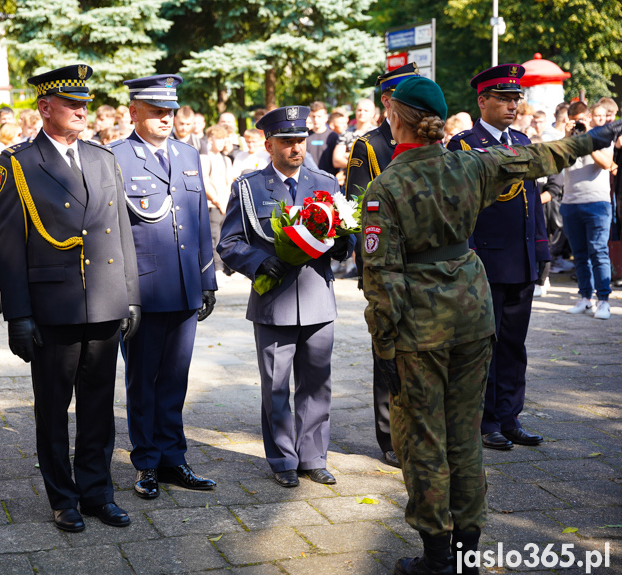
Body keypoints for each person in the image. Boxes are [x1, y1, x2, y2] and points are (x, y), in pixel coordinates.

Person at [359, 74, 618, 575]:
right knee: (465, 436)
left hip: (419, 327)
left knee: (423, 441)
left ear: (397, 117)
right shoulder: (474, 164)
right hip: (473, 317)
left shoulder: (385, 187)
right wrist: (596, 138)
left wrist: (384, 346)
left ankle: (437, 558)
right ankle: (467, 556)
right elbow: (544, 157)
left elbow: (382, 278)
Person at [0, 64, 140, 534]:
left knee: (98, 406)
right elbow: (7, 245)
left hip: (104, 302)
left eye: (84, 104)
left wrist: (130, 295)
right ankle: (63, 497)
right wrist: (18, 315)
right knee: (53, 409)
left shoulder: (102, 158)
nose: (80, 110)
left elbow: (122, 234)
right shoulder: (17, 163)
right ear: (44, 107)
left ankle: (97, 491)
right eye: (70, 103)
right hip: (53, 309)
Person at [217, 106, 353, 488]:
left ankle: (313, 456)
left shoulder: (326, 183)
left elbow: (346, 239)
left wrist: (344, 242)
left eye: (301, 140)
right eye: (287, 141)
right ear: (268, 143)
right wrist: (259, 263)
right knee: (276, 385)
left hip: (317, 297)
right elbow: (228, 242)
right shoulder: (249, 187)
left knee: (316, 383)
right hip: (273, 301)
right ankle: (282, 460)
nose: (296, 148)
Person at [108, 74, 218, 500]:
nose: (166, 119)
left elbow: (198, 220)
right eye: (156, 111)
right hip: (145, 292)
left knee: (175, 378)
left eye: (170, 111)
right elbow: (114, 233)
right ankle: (147, 462)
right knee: (143, 380)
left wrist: (207, 278)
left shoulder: (188, 154)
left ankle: (174, 458)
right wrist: (124, 294)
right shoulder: (116, 156)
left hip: (186, 287)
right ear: (133, 111)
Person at [447, 64, 550, 451]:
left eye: (515, 99)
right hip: (484, 263)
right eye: (504, 98)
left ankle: (510, 417)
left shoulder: (522, 139)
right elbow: (460, 210)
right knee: (482, 346)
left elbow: (532, 204)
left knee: (513, 345)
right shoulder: (463, 146)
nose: (512, 105)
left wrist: (540, 249)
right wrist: (465, 258)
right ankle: (485, 420)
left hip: (521, 259)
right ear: (482, 101)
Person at [344, 62, 421, 470]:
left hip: (424, 265)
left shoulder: (429, 142)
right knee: (387, 351)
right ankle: (390, 437)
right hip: (386, 266)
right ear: (387, 101)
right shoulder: (369, 145)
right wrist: (369, 267)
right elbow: (356, 209)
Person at [561, 101, 615, 319]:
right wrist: (567, 138)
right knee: (580, 255)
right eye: (576, 121)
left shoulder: (601, 137)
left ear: (591, 118)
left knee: (598, 251)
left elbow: (606, 163)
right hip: (570, 203)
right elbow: (557, 162)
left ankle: (603, 301)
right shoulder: (567, 139)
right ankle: (585, 298)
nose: (581, 124)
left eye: (583, 119)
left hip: (597, 203)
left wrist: (586, 142)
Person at [201, 124, 233, 284]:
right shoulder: (205, 158)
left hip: (225, 205)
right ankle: (217, 269)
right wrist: (216, 200)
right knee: (214, 238)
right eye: (217, 139)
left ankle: (227, 268)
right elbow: (205, 182)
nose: (220, 142)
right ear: (210, 139)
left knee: (226, 237)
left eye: (223, 139)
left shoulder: (226, 159)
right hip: (212, 205)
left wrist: (226, 201)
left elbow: (229, 183)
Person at [333, 98, 376, 169]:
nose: (362, 113)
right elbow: (337, 160)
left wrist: (348, 155)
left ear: (372, 113)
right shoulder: (346, 133)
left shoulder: (377, 133)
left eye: (366, 111)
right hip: (349, 178)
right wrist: (361, 164)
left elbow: (378, 158)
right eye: (359, 110)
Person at [305, 101, 338, 176]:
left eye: (319, 116)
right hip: (310, 177)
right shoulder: (305, 136)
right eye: (313, 116)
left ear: (326, 118)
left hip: (329, 178)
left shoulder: (333, 136)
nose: (316, 119)